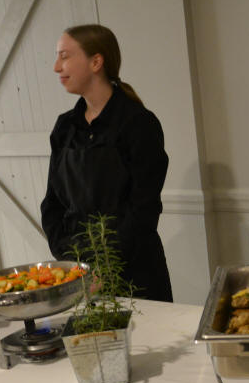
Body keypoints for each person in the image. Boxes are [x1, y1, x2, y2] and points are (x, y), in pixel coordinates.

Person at [40, 24, 173, 302]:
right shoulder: (65, 127)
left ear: (96, 62)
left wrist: (105, 269)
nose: (56, 66)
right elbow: (52, 205)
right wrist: (71, 262)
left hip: (134, 274)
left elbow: (144, 210)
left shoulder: (138, 124)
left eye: (64, 56)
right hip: (78, 272)